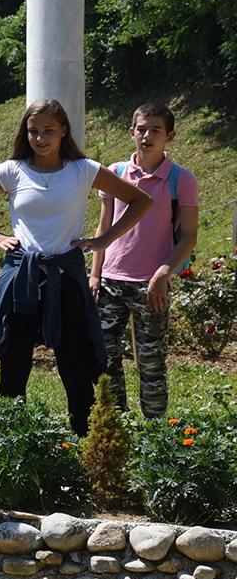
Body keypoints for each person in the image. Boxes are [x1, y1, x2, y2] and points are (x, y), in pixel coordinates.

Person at [0, 100, 151, 435]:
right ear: (25, 133)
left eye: (48, 130)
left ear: (63, 130)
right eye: (33, 131)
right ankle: (9, 441)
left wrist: (104, 240)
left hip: (66, 274)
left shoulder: (83, 169)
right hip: (22, 275)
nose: (40, 138)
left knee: (74, 363)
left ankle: (86, 441)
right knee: (14, 363)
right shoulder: (12, 170)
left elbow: (140, 201)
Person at [91, 102, 199, 419]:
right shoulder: (117, 173)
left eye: (155, 130)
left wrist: (164, 272)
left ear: (170, 136)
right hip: (110, 282)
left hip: (152, 286)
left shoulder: (181, 179)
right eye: (141, 129)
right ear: (131, 132)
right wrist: (95, 273)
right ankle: (117, 424)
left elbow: (189, 235)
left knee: (151, 363)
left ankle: (154, 434)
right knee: (104, 359)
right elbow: (104, 226)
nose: (147, 136)